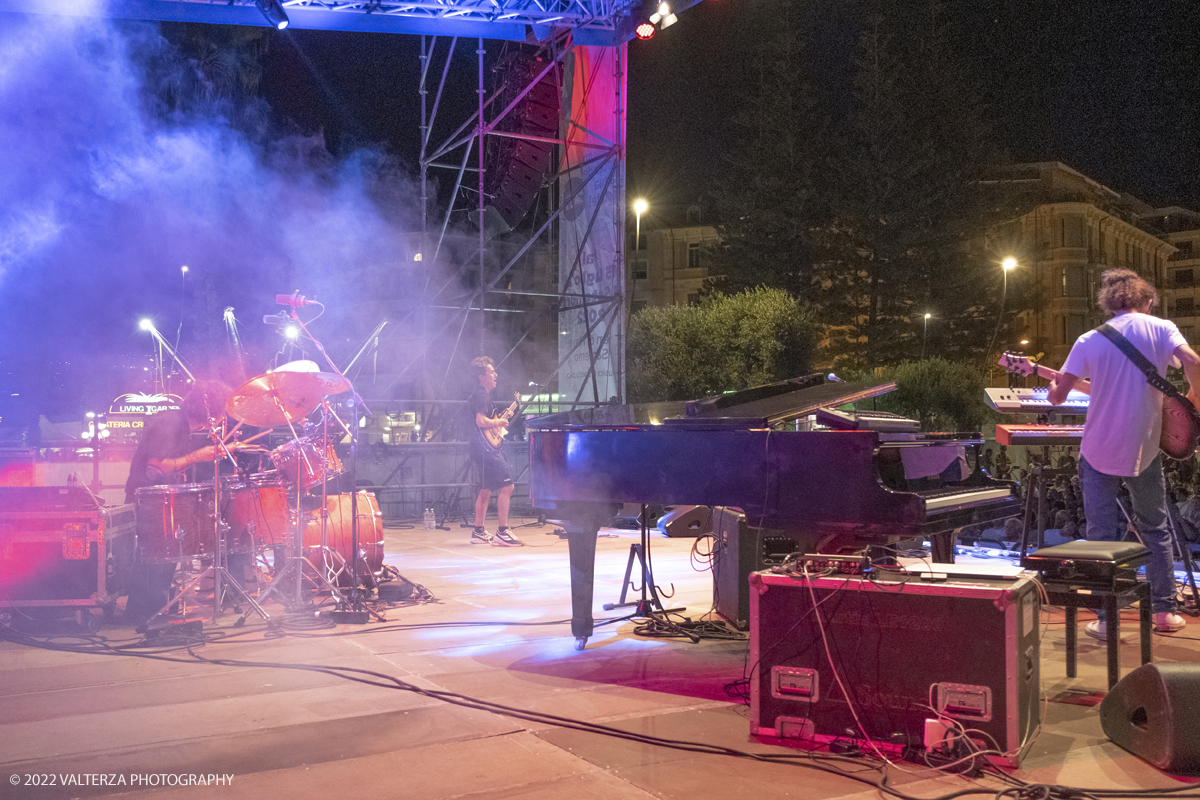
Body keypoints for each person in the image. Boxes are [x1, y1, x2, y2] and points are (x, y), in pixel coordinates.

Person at [1048, 268, 1200, 639]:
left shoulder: (1088, 339)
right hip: (1144, 448)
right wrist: (1194, 396)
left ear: (1109, 304)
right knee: (1156, 528)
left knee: (1101, 534)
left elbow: (1059, 396)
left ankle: (1106, 619)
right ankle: (1164, 613)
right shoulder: (1162, 328)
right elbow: (1194, 362)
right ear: (1146, 301)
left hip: (1098, 449)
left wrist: (1054, 385)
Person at [124, 380, 255, 623]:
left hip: (158, 498)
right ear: (213, 409)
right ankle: (143, 613)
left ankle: (152, 609)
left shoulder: (185, 427)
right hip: (148, 498)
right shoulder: (171, 423)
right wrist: (200, 455)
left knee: (166, 556)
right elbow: (156, 468)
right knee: (158, 557)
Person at [467, 357, 523, 546]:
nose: (496, 374)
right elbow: (481, 421)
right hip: (486, 450)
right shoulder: (482, 395)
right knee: (507, 486)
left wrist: (500, 418)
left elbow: (486, 423)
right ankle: (502, 531)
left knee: (485, 490)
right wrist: (499, 422)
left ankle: (478, 531)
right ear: (482, 377)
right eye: (492, 372)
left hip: (479, 448)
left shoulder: (481, 394)